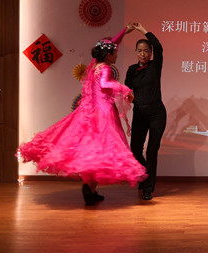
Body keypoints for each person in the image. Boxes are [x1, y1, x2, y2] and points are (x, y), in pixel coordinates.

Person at [17, 25, 147, 206]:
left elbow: (110, 44)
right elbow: (105, 84)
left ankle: (90, 189)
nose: (117, 55)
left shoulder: (95, 64)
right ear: (108, 55)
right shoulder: (106, 68)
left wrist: (125, 31)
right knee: (101, 152)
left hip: (90, 112)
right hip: (104, 114)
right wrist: (124, 88)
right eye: (115, 53)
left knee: (92, 151)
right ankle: (89, 189)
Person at [125, 22, 167, 201]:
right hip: (140, 113)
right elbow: (127, 90)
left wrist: (142, 29)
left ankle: (148, 189)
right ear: (136, 52)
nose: (143, 54)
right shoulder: (131, 70)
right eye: (140, 51)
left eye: (146, 51)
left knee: (151, 151)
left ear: (150, 53)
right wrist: (129, 97)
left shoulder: (155, 66)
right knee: (135, 149)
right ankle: (144, 174)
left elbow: (158, 47)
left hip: (157, 114)